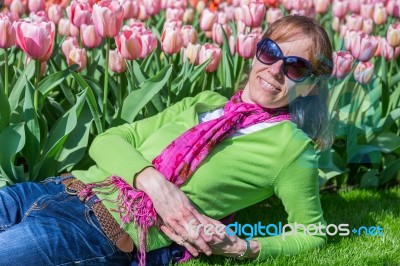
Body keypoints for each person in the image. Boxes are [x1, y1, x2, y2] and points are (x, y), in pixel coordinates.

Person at [0, 15, 333, 265]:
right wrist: (156, 185)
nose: (275, 69)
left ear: (309, 86)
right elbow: (107, 140)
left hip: (97, 231)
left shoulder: (292, 149)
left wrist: (243, 247)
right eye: (270, 51)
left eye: (295, 68)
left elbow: (313, 233)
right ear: (256, 52)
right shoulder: (204, 102)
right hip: (56, 188)